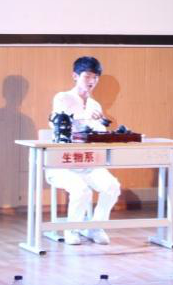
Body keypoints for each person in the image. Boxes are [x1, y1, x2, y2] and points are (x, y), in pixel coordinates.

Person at [46, 56, 121, 245]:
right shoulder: (62, 97)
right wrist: (87, 116)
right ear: (75, 76)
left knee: (112, 187)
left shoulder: (95, 105)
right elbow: (60, 122)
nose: (91, 81)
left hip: (87, 162)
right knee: (81, 190)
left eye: (95, 77)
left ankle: (95, 227)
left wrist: (101, 126)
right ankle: (72, 230)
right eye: (87, 76)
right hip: (62, 163)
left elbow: (97, 132)